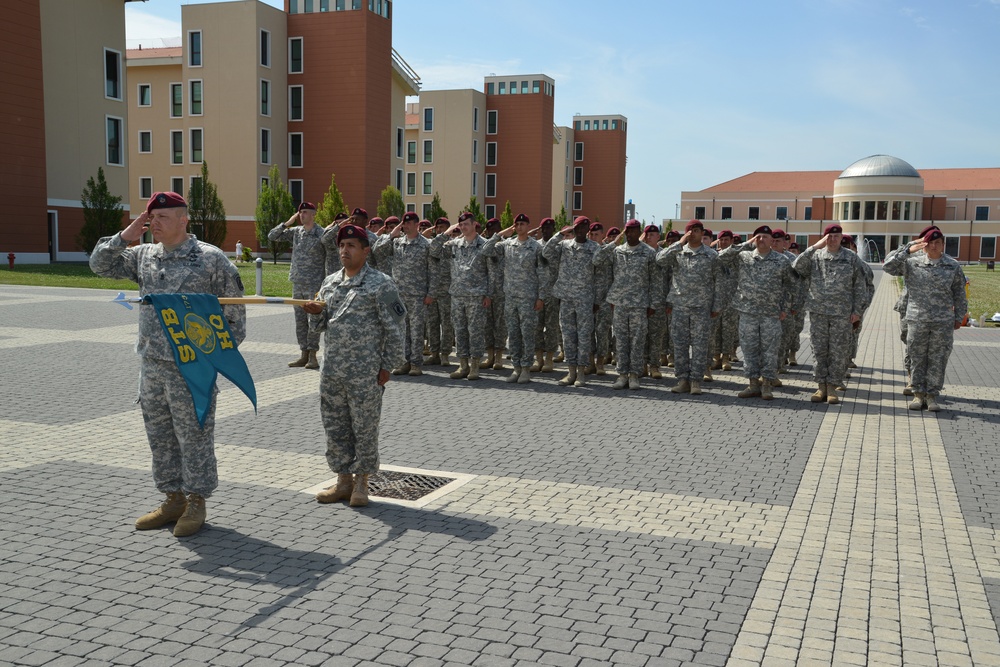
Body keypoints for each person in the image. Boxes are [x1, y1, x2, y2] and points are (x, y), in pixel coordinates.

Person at [90, 191, 246, 537]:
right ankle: (172, 498)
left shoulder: (210, 259)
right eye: (150, 218)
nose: (153, 224)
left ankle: (196, 501)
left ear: (182, 220)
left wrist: (210, 357)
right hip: (152, 365)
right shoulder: (144, 255)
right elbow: (99, 265)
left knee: (194, 436)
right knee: (160, 436)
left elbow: (235, 319)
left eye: (161, 218)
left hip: (192, 369)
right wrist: (127, 235)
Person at [305, 224, 406, 506]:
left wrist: (388, 366)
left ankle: (362, 481)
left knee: (364, 427)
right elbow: (320, 327)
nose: (344, 251)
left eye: (351, 245)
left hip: (366, 372)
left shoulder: (381, 283)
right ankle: (343, 480)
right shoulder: (330, 283)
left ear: (365, 250)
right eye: (341, 246)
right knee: (335, 426)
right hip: (333, 371)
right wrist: (314, 314)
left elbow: (396, 328)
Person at [883, 229, 967, 411]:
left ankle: (931, 396)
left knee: (938, 358)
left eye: (937, 243)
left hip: (942, 320)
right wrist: (909, 248)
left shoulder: (952, 266)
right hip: (917, 318)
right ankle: (918, 394)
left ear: (943, 244)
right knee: (917, 357)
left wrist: (959, 316)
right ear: (924, 245)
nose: (933, 246)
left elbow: (959, 293)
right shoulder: (912, 263)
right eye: (929, 243)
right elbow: (888, 266)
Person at [791, 223, 869, 404]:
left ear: (842, 237)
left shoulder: (851, 258)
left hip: (842, 313)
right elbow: (796, 266)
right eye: (829, 236)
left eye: (836, 236)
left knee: (838, 351)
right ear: (824, 238)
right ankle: (821, 387)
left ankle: (833, 387)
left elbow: (860, 286)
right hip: (818, 312)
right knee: (819, 350)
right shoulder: (815, 256)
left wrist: (857, 311)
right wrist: (814, 247)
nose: (833, 239)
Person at [718, 226, 793, 400]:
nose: (762, 240)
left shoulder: (781, 260)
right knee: (749, 349)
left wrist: (785, 308)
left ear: (771, 239)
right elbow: (721, 258)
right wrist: (745, 244)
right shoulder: (743, 257)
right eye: (758, 237)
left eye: (765, 237)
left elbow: (790, 286)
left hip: (771, 313)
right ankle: (753, 384)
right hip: (748, 312)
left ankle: (766, 385)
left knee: (770, 350)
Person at [656, 220, 722, 395]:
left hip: (702, 307)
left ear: (703, 233)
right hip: (680, 306)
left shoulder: (711, 255)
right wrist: (679, 242)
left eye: (698, 230)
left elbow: (718, 282)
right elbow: (660, 259)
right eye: (691, 231)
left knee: (700, 345)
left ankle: (696, 381)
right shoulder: (677, 252)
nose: (694, 233)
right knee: (680, 345)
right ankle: (683, 379)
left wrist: (716, 305)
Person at [595, 219, 659, 390]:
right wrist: (614, 242)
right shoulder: (617, 251)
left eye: (634, 231)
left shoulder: (648, 253)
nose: (630, 234)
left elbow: (655, 281)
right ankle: (622, 374)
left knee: (637, 341)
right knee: (621, 340)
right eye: (627, 231)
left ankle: (634, 375)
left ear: (640, 233)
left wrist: (652, 304)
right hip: (620, 304)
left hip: (640, 304)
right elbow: (597, 259)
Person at [482, 213, 546, 383]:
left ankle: (526, 368)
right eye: (516, 224)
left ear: (528, 226)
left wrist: (541, 297)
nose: (519, 227)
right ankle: (516, 368)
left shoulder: (536, 247)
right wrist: (501, 234)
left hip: (528, 298)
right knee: (514, 334)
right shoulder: (507, 244)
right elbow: (486, 249)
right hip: (510, 297)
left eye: (523, 224)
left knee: (527, 334)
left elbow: (542, 273)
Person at [429, 211, 490, 380]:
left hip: (476, 296)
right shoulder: (454, 244)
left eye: (466, 224)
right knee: (460, 331)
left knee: (475, 331)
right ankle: (463, 365)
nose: (463, 227)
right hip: (457, 295)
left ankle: (475, 366)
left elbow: (492, 272)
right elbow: (433, 250)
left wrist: (489, 294)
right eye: (460, 225)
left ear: (474, 225)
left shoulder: (484, 245)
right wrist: (446, 233)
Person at [542, 216, 601, 387]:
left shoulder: (594, 247)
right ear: (573, 229)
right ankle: (571, 372)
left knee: (583, 336)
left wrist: (596, 299)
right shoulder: (564, 246)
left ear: (588, 229)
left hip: (584, 299)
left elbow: (599, 276)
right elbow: (546, 252)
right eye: (578, 227)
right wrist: (560, 234)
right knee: (568, 336)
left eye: (584, 227)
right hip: (566, 298)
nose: (581, 230)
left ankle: (581, 373)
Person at [268, 201, 327, 369]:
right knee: (300, 320)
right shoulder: (296, 232)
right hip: (298, 283)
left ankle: (313, 355)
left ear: (314, 214)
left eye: (306, 212)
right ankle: (303, 354)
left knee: (313, 319)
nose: (302, 215)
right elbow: (272, 236)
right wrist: (287, 223)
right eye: (300, 213)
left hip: (314, 283)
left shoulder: (320, 233)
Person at [373, 212, 431, 376]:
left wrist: (431, 293)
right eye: (403, 223)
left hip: (418, 294)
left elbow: (433, 270)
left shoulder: (426, 244)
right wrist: (391, 235)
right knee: (401, 329)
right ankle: (404, 362)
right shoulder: (397, 243)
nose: (405, 226)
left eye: (408, 223)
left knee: (417, 330)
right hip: (398, 294)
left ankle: (416, 364)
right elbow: (377, 251)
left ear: (416, 224)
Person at [530, 217, 561, 372]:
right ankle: (538, 359)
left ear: (554, 230)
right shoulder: (535, 246)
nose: (547, 230)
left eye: (550, 228)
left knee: (551, 328)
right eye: (545, 228)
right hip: (537, 293)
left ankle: (549, 359)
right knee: (536, 327)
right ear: (540, 230)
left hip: (554, 294)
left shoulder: (559, 246)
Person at [423, 217, 455, 366]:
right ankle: (434, 352)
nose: (440, 230)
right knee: (432, 323)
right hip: (432, 290)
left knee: (447, 324)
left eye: (444, 227)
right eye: (438, 227)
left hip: (446, 290)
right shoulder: (432, 244)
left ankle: (445, 354)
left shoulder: (453, 245)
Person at [482, 217, 508, 371]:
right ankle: (490, 356)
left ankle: (499, 357)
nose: (494, 233)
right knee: (487, 326)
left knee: (500, 326)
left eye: (496, 229)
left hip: (502, 292)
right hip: (486, 292)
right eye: (490, 230)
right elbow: (486, 250)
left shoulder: (506, 245)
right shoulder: (485, 244)